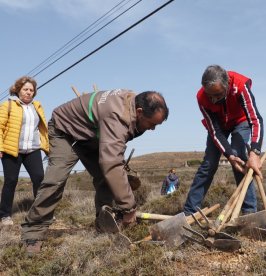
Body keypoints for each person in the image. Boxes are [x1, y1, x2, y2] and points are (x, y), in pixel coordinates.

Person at [21, 89, 168, 254]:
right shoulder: (117, 115)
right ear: (140, 112)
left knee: (106, 180)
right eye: (152, 124)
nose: (153, 129)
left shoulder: (133, 106)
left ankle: (104, 226)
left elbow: (114, 154)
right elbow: (111, 163)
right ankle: (33, 233)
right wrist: (129, 208)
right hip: (66, 132)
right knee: (55, 181)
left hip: (91, 136)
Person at [183, 65, 264, 216]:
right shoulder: (202, 97)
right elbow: (214, 131)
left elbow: (255, 120)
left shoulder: (240, 85)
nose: (214, 100)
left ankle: (249, 211)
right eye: (210, 96)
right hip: (219, 126)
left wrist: (255, 152)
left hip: (241, 122)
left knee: (240, 156)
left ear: (227, 86)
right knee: (209, 164)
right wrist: (229, 156)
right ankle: (189, 212)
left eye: (218, 95)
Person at [0, 76, 49, 226]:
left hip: (32, 150)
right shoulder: (8, 105)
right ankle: (5, 215)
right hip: (12, 150)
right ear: (18, 90)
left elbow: (43, 129)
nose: (29, 92)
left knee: (39, 178)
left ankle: (41, 213)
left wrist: (46, 146)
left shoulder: (37, 106)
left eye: (31, 90)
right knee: (11, 181)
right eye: (25, 89)